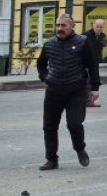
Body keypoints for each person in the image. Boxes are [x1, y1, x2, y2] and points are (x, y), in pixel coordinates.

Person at [36, 13, 100, 170]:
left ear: (72, 27)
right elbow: (41, 64)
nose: (60, 28)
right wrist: (46, 78)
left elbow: (92, 65)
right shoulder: (49, 43)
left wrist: (95, 88)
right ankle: (51, 159)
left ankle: (80, 149)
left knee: (74, 123)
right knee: (49, 126)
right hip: (54, 90)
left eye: (63, 25)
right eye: (58, 25)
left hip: (76, 90)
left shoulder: (82, 42)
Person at [81, 18, 107, 107]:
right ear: (93, 25)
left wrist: (99, 58)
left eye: (101, 27)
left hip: (95, 62)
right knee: (88, 82)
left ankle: (90, 100)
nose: (99, 28)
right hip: (86, 63)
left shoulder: (102, 36)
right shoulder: (85, 35)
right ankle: (88, 101)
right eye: (97, 26)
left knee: (93, 81)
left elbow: (100, 48)